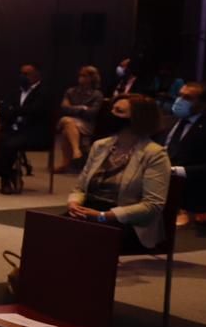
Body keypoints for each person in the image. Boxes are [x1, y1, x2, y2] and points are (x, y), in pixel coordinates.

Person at [68, 94, 170, 253]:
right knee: (49, 230)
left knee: (78, 241)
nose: (111, 115)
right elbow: (80, 188)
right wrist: (74, 204)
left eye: (119, 111)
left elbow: (152, 205)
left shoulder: (155, 154)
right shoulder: (100, 145)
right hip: (90, 211)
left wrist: (103, 216)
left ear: (137, 119)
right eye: (112, 109)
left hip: (128, 222)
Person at [163, 82, 206, 228]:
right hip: (159, 184)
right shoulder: (170, 122)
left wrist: (176, 171)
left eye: (187, 97)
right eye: (180, 95)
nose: (179, 100)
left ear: (204, 104)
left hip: (189, 190)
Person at [0, 63, 50, 193]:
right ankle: (10, 172)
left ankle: (5, 179)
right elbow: (3, 108)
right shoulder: (15, 91)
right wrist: (15, 111)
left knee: (8, 144)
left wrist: (14, 110)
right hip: (13, 128)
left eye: (26, 74)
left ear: (36, 75)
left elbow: (35, 111)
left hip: (33, 131)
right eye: (21, 73)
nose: (22, 77)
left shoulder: (44, 92)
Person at [53, 65, 104, 174]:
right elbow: (64, 108)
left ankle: (65, 164)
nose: (81, 78)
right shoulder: (70, 91)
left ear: (92, 78)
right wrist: (81, 108)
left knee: (66, 127)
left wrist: (74, 109)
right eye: (80, 75)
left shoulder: (97, 94)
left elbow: (92, 113)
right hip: (71, 121)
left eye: (84, 76)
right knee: (68, 122)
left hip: (87, 124)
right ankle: (76, 152)